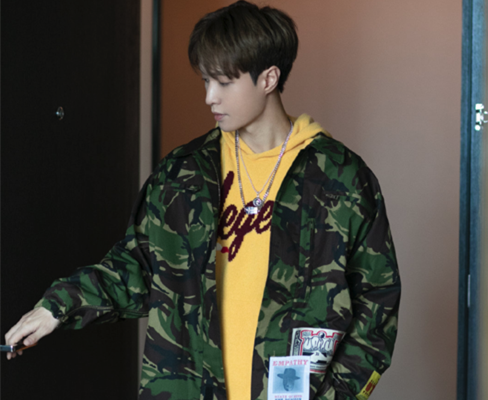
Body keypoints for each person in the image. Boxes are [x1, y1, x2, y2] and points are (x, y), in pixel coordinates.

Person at [4, 1, 401, 399]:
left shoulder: (339, 178)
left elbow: (377, 303)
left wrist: (335, 395)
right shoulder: (183, 174)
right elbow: (137, 267)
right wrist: (57, 306)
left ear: (268, 78)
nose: (210, 97)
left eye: (224, 82)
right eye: (205, 81)